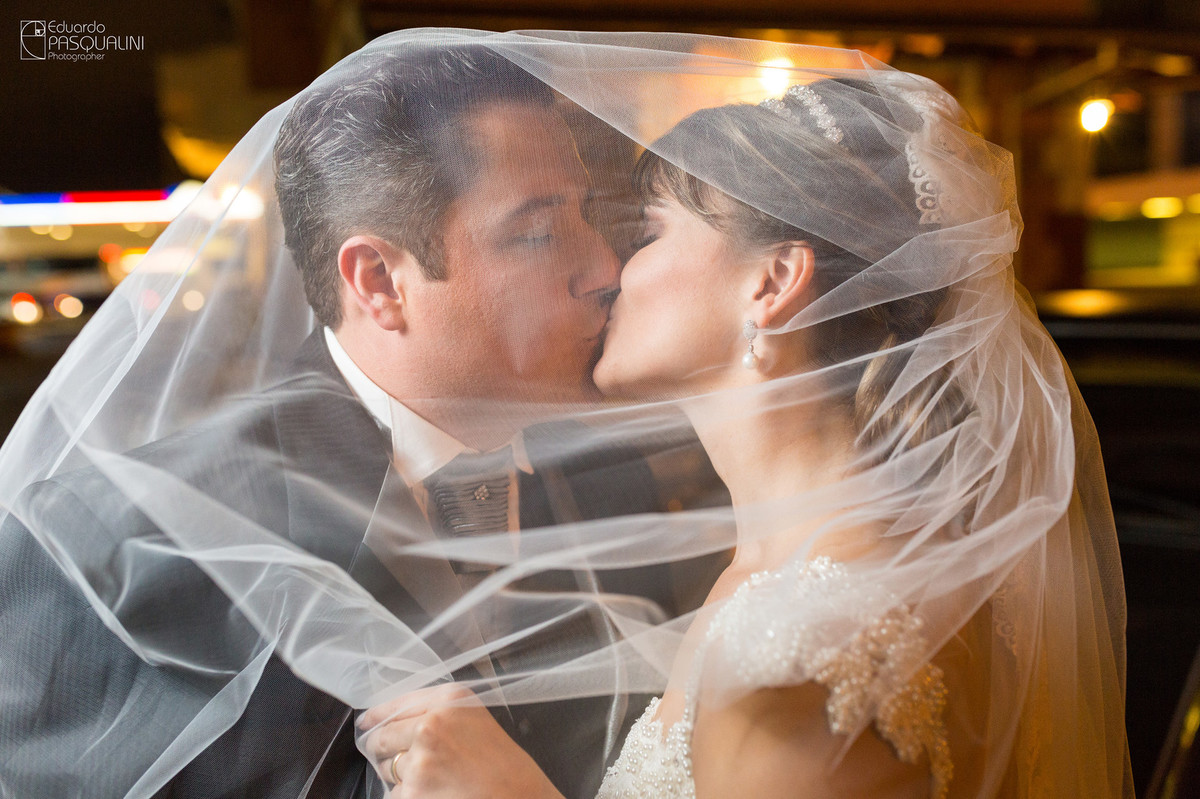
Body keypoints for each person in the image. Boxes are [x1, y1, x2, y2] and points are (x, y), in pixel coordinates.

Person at [352, 41, 1134, 799]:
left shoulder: (809, 657)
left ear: (773, 282)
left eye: (648, 231)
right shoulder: (781, 580)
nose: (606, 271)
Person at [0, 35, 725, 798]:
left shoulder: (621, 482)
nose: (604, 268)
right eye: (538, 231)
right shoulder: (113, 538)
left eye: (588, 216)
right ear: (378, 278)